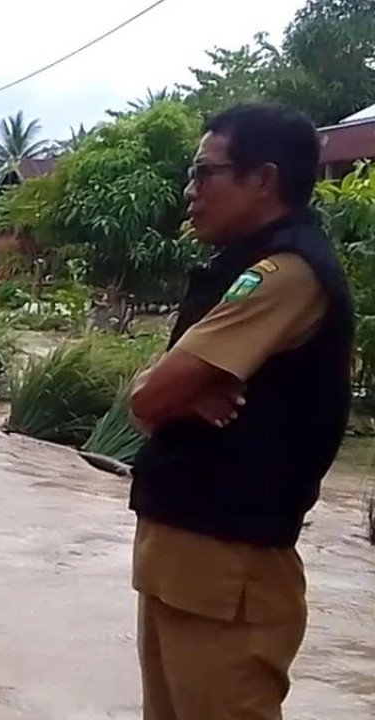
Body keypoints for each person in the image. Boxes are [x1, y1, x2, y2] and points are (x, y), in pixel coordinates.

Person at [127, 104, 354, 720]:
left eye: (206, 173)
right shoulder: (240, 270)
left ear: (262, 178)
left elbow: (146, 399)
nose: (191, 191)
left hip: (231, 568)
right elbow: (149, 398)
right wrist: (173, 390)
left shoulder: (285, 275)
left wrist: (168, 391)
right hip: (188, 558)